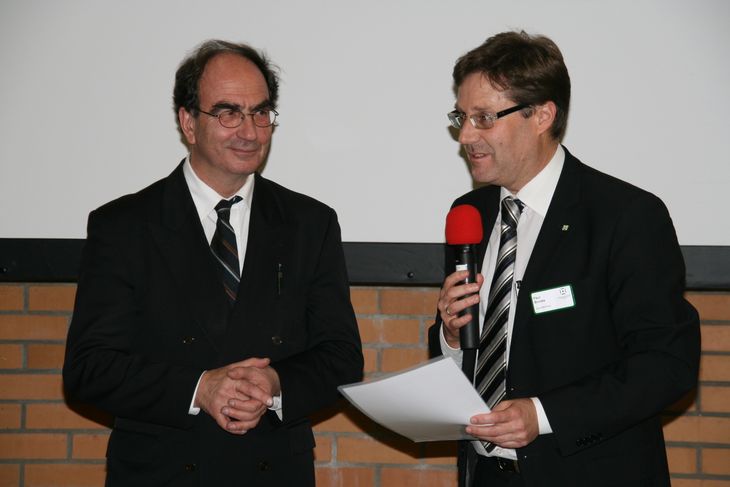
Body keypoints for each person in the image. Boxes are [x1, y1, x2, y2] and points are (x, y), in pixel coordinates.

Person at [63, 40, 363, 487]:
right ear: (188, 122)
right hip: (162, 471)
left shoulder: (309, 224)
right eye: (228, 113)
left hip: (273, 470)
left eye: (261, 113)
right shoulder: (125, 226)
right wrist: (199, 388)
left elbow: (341, 358)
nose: (250, 131)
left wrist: (276, 384)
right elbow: (90, 369)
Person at [428, 31, 700, 487]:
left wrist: (542, 414)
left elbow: (666, 365)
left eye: (484, 118)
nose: (466, 135)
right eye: (462, 117)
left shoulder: (625, 216)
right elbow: (475, 355)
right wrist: (452, 339)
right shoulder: (469, 214)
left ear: (541, 115)